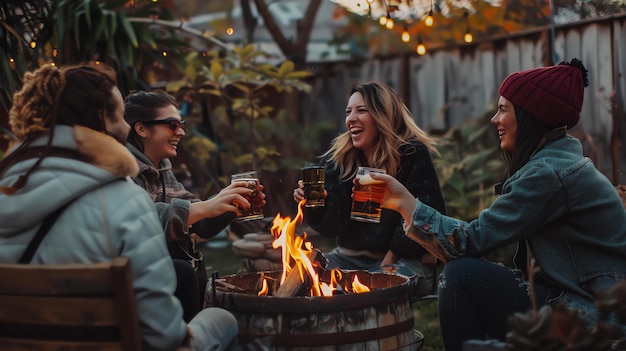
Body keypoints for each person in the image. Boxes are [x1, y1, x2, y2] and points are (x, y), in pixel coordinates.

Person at [365, 59, 626, 350]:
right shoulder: (556, 163)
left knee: (461, 275)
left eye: (503, 109)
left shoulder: (548, 173)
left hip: (591, 315)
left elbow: (469, 241)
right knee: (468, 273)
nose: (494, 119)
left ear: (528, 115)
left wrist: (406, 203)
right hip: (577, 299)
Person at [0, 64, 239, 351]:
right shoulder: (123, 199)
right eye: (119, 116)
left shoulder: (7, 186)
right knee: (224, 320)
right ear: (103, 119)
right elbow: (164, 336)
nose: (126, 127)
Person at [124, 90, 266, 320]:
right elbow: (142, 218)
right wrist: (207, 206)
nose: (181, 132)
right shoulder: (124, 169)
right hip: (133, 280)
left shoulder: (162, 170)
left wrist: (229, 205)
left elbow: (200, 222)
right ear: (141, 129)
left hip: (157, 276)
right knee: (186, 276)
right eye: (172, 124)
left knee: (220, 298)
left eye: (182, 124)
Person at [293, 81, 446, 294]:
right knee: (300, 278)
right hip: (348, 259)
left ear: (383, 115)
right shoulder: (342, 160)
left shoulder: (411, 154)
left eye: (361, 110)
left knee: (372, 291)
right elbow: (330, 228)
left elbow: (429, 215)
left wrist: (390, 256)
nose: (351, 119)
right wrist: (313, 205)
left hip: (401, 259)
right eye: (348, 112)